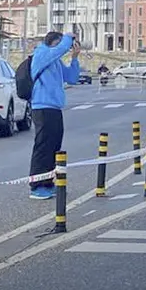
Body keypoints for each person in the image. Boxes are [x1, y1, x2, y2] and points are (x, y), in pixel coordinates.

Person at [27, 32, 81, 199]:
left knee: (53, 146)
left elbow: (72, 78)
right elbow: (60, 49)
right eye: (60, 44)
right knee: (43, 146)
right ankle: (37, 186)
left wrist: (74, 58)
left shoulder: (55, 60)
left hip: (55, 107)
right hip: (42, 106)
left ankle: (48, 182)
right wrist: (68, 37)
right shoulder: (42, 54)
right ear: (53, 43)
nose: (64, 48)